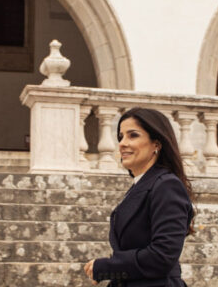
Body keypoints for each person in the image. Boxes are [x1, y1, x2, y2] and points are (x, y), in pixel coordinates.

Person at [84, 107, 196, 286]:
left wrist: (108, 267)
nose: (122, 143)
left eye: (133, 135)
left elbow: (163, 256)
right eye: (121, 137)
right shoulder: (142, 186)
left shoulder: (166, 185)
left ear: (156, 144)